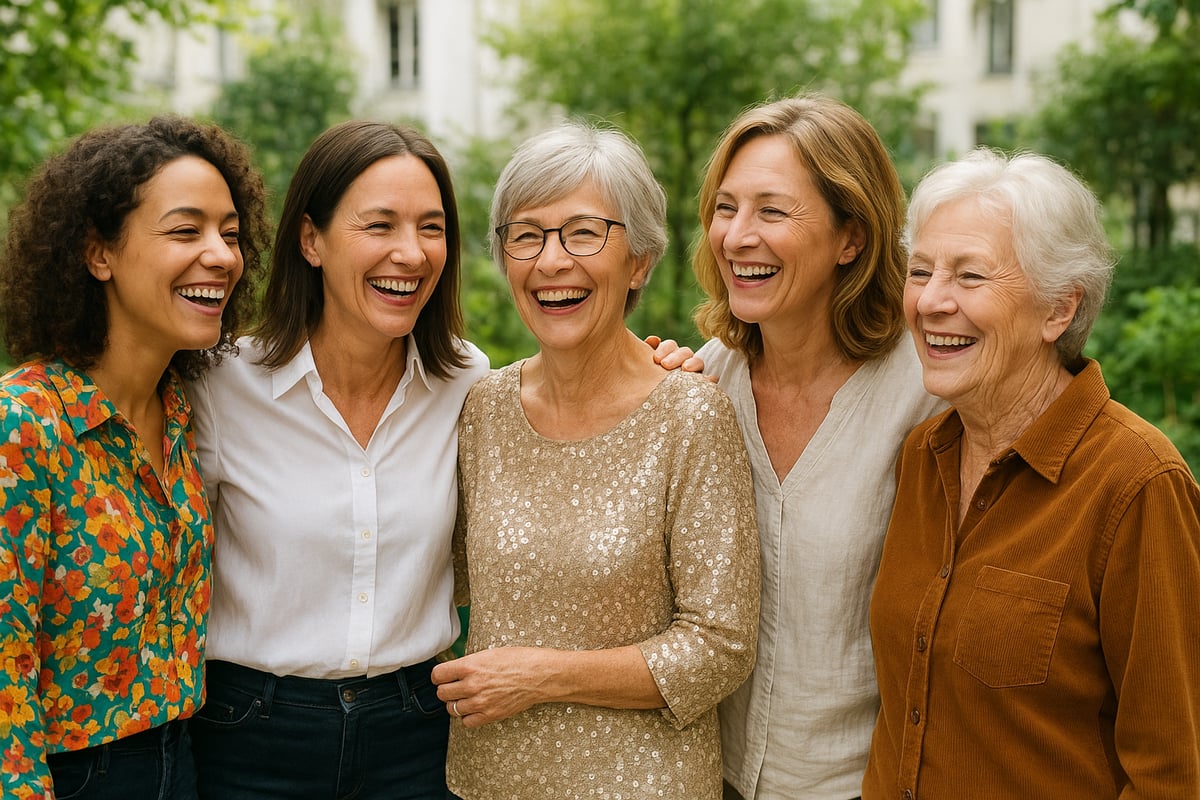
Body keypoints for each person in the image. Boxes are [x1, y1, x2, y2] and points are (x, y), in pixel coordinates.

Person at [185, 119, 696, 799]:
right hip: (253, 734)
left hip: (416, 732)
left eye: (431, 228)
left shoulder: (466, 385)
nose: (411, 253)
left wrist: (658, 371)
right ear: (311, 239)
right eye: (380, 225)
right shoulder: (225, 384)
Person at [430, 120, 761, 800]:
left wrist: (540, 675)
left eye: (583, 232)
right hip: (486, 784)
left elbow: (721, 648)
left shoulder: (691, 414)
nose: (551, 261)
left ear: (638, 260)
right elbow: (440, 581)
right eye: (526, 235)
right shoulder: (482, 410)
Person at [863, 149, 1200, 798]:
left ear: (1059, 310)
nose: (931, 301)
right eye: (922, 271)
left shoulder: (1138, 484)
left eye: (970, 277)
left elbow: (1172, 775)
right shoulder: (921, 455)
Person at [0, 115, 269, 800]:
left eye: (231, 234)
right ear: (99, 255)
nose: (221, 256)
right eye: (186, 231)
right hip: (70, 777)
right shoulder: (24, 424)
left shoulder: (181, 410)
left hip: (182, 762)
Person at [690, 94, 944, 800]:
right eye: (726, 207)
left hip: (861, 782)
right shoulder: (700, 385)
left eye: (772, 211)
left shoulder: (927, 395)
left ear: (851, 238)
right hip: (710, 778)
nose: (738, 235)